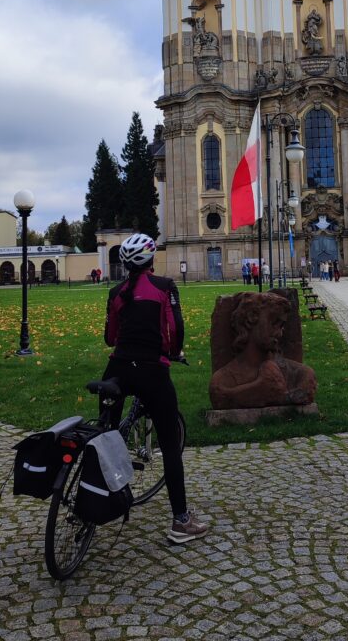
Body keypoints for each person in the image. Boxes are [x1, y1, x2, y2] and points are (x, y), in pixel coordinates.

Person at [102, 233, 207, 544]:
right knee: (170, 447)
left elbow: (110, 337)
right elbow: (176, 327)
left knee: (104, 437)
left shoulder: (115, 292)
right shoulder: (165, 286)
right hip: (152, 370)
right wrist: (174, 351)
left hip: (117, 369)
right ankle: (181, 521)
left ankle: (93, 501)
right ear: (151, 259)